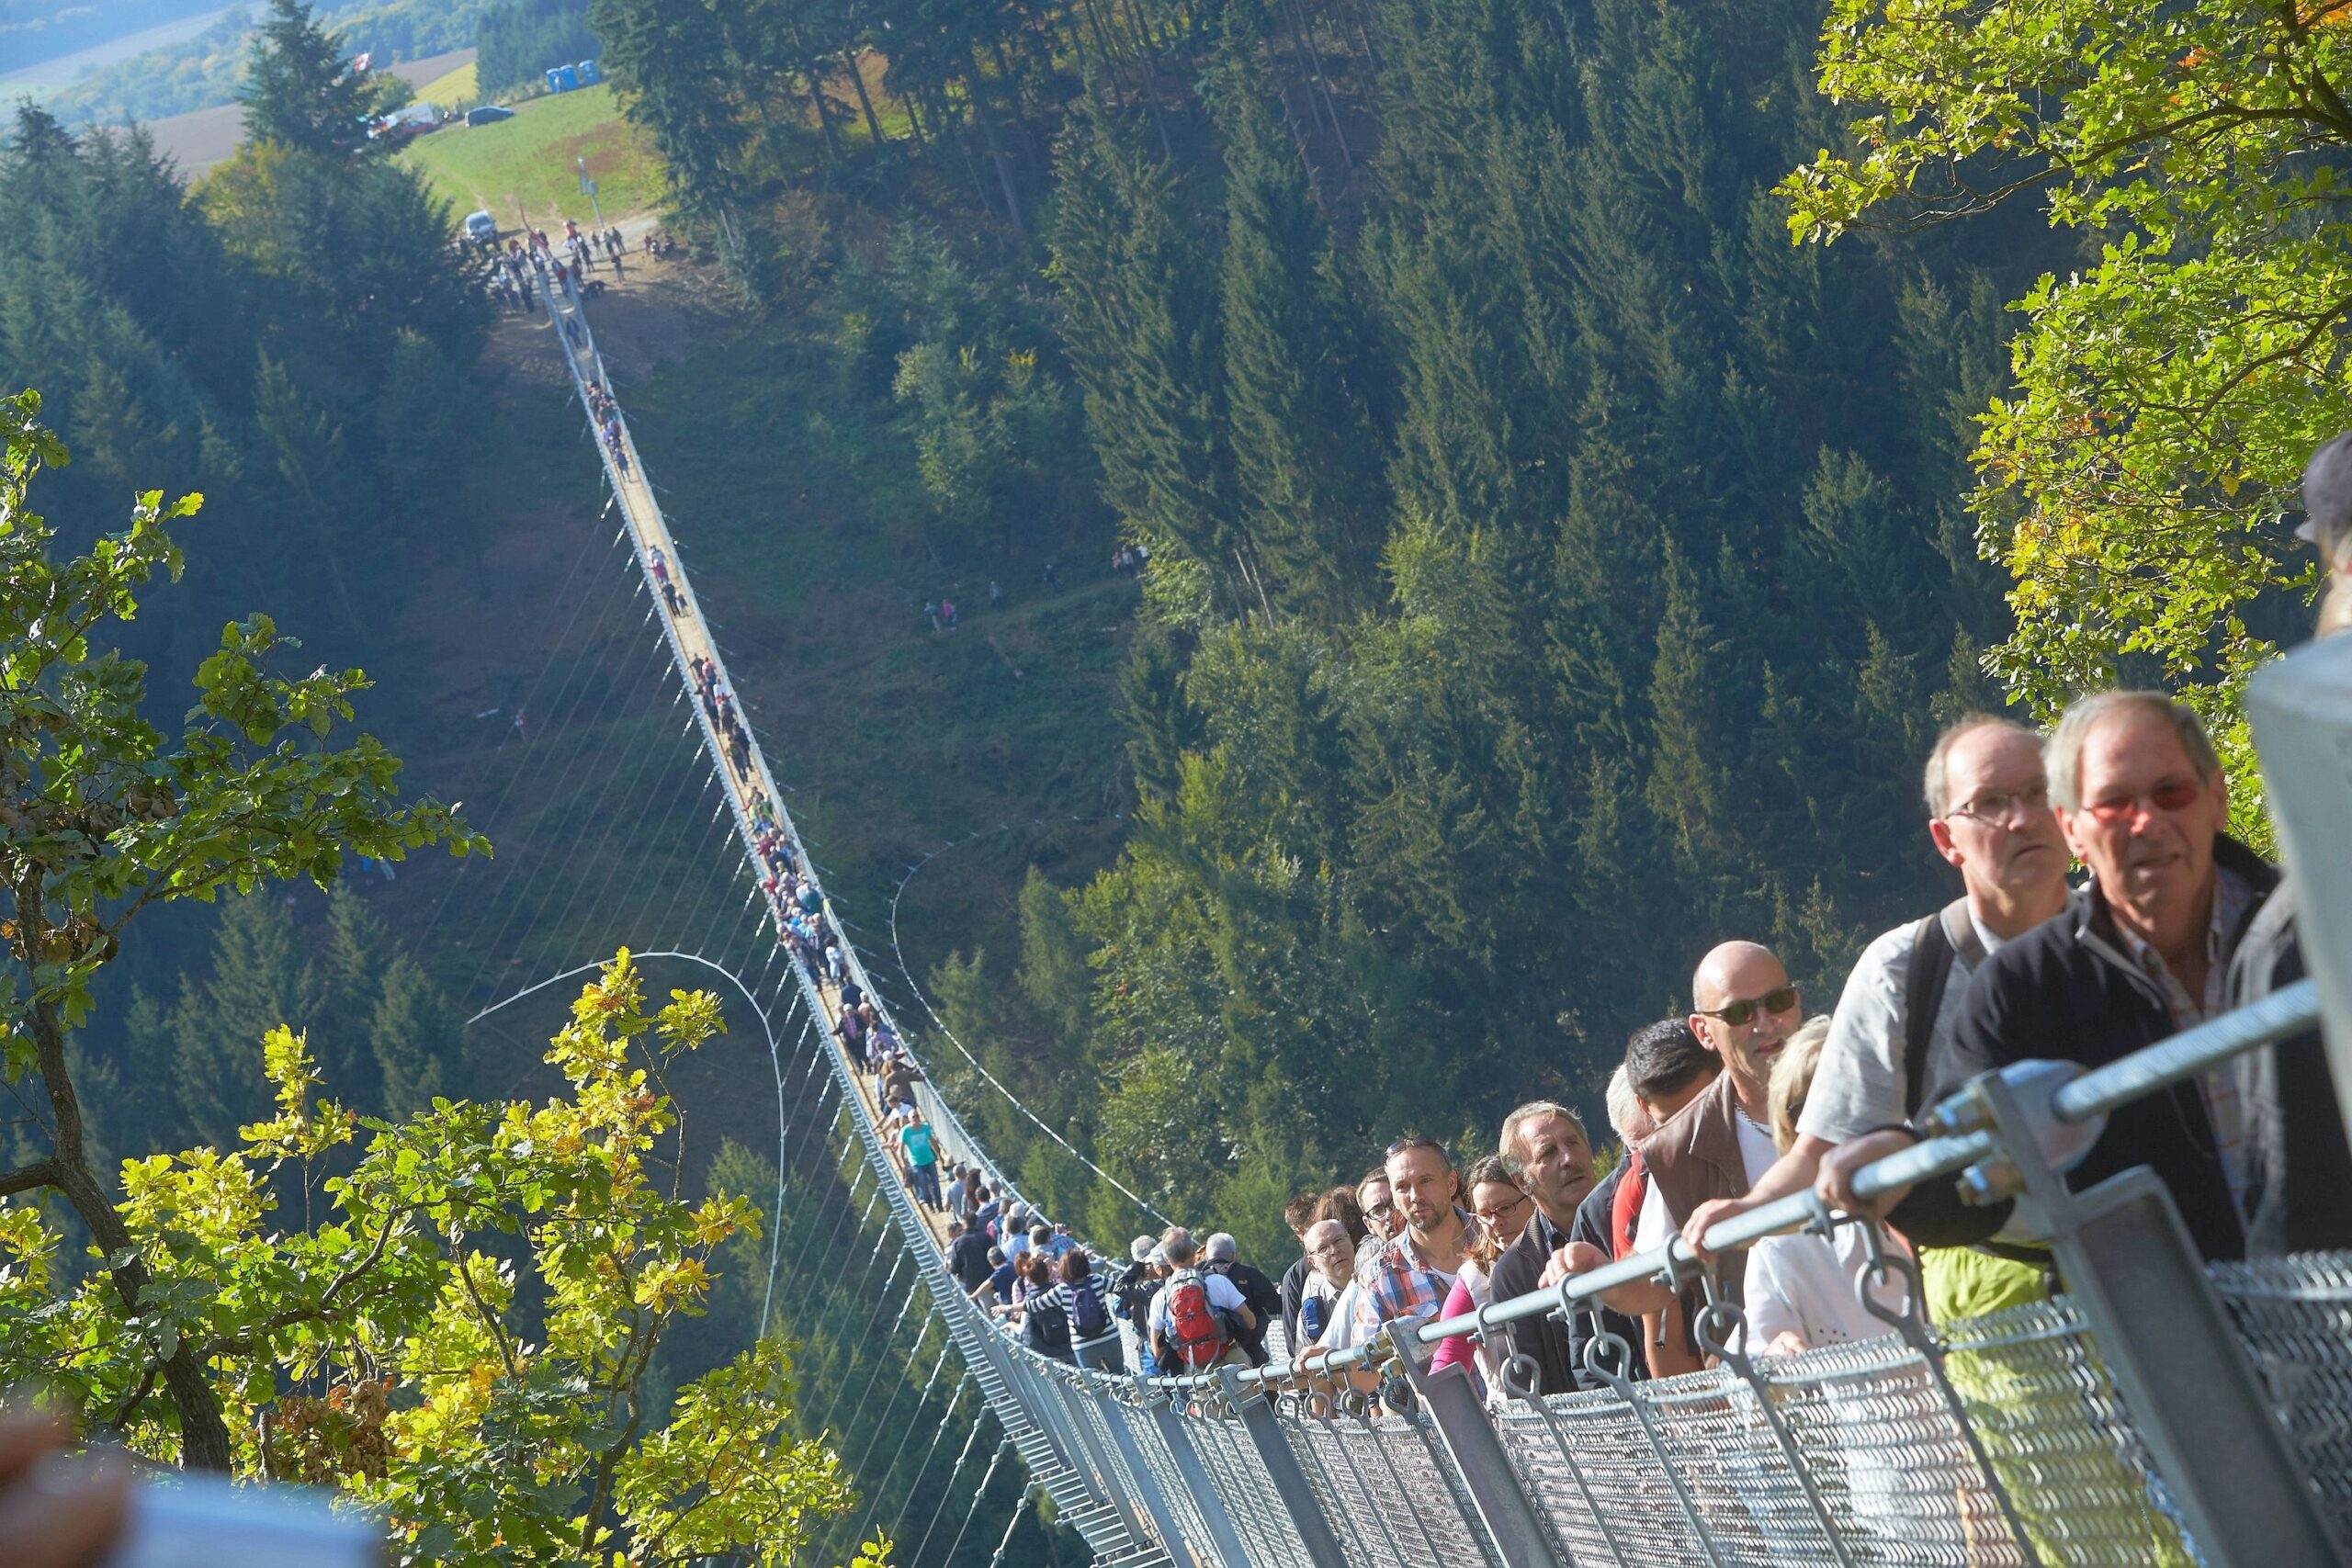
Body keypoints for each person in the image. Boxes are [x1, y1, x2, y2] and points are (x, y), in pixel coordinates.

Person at [1849, 693, 2287, 1267]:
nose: (2148, 821)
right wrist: (1899, 1165)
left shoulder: (2313, 924)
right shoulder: (2023, 987)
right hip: (2178, 1335)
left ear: (2217, 799)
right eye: (2113, 803)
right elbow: (1964, 1168)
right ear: (2072, 830)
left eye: (2170, 792)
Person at [1686, 715, 2071, 1323]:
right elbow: (1824, 1147)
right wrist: (1752, 1209)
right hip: (2002, 1300)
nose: (2021, 817)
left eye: (2037, 792)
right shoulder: (1904, 968)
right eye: (1991, 803)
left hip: (2163, 1247)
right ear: (1947, 839)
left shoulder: (2127, 931)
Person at [1744, 1018, 1912, 1355]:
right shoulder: (1781, 1248)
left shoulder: (1952, 1190)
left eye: (1852, 1099)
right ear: (1788, 1130)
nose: (1832, 1126)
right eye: (1805, 1111)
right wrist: (1772, 1365)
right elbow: (1748, 1381)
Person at [1488, 1100, 1601, 1393]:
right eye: (1547, 1153)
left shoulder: (1634, 1217)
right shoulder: (1513, 1273)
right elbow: (1527, 1387)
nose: (1568, 1158)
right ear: (1521, 1182)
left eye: (1573, 1143)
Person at [1332, 1138, 1470, 1348]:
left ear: (1451, 1183)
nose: (1415, 1196)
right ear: (1395, 1198)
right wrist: (1328, 1361)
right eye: (1402, 1187)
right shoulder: (1379, 1276)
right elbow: (1367, 1366)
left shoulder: (1496, 1235)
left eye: (1426, 1180)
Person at [1428, 1156, 1532, 1385]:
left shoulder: (1565, 1248)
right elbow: (1448, 1363)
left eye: (1505, 1208)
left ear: (1531, 1196)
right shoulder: (1474, 1278)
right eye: (1484, 1215)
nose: (1495, 1222)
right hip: (1514, 1416)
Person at [1151, 1228, 1255, 1372]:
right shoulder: (1218, 1282)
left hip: (1198, 1371)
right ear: (1194, 1252)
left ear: (1167, 1259)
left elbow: (1157, 1351)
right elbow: (1251, 1322)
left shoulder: (1160, 1298)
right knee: (1249, 1395)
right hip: (1232, 1362)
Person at [1200, 1233, 1283, 1366]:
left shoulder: (1197, 1280)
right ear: (1233, 1254)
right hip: (1249, 1352)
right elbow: (1276, 1306)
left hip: (1206, 1357)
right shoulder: (1249, 1274)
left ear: (1207, 1254)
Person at [1295, 1219, 1355, 1347]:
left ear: (1350, 1241)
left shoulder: (1378, 1283)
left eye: (1338, 1240)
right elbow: (1306, 1362)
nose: (1334, 1250)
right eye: (1323, 1248)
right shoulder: (1310, 1314)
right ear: (1313, 1262)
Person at [1064, 1250, 1125, 1372]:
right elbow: (1122, 1289)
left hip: (1082, 1345)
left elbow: (1033, 1305)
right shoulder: (1098, 1280)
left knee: (1095, 1386)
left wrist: (1013, 1308)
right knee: (1120, 1379)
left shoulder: (1061, 1290)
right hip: (1109, 1337)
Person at [1276, 1190, 1321, 1352]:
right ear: (1299, 1232)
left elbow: (1292, 1343)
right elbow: (1293, 1341)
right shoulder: (1295, 1276)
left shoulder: (1294, 1276)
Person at [898, 1110, 942, 1210]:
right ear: (909, 1119)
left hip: (929, 1159)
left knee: (935, 1183)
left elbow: (932, 1142)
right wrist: (903, 1163)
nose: (916, 1119)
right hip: (916, 1162)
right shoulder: (905, 1131)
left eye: (917, 1116)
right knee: (923, 1182)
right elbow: (900, 1149)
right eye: (914, 1117)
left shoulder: (925, 1128)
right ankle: (930, 1204)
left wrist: (939, 1155)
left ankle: (939, 1204)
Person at [948, 1218, 995, 1295]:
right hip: (992, 1278)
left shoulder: (957, 1243)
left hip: (973, 1285)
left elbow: (954, 1268)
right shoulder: (985, 1236)